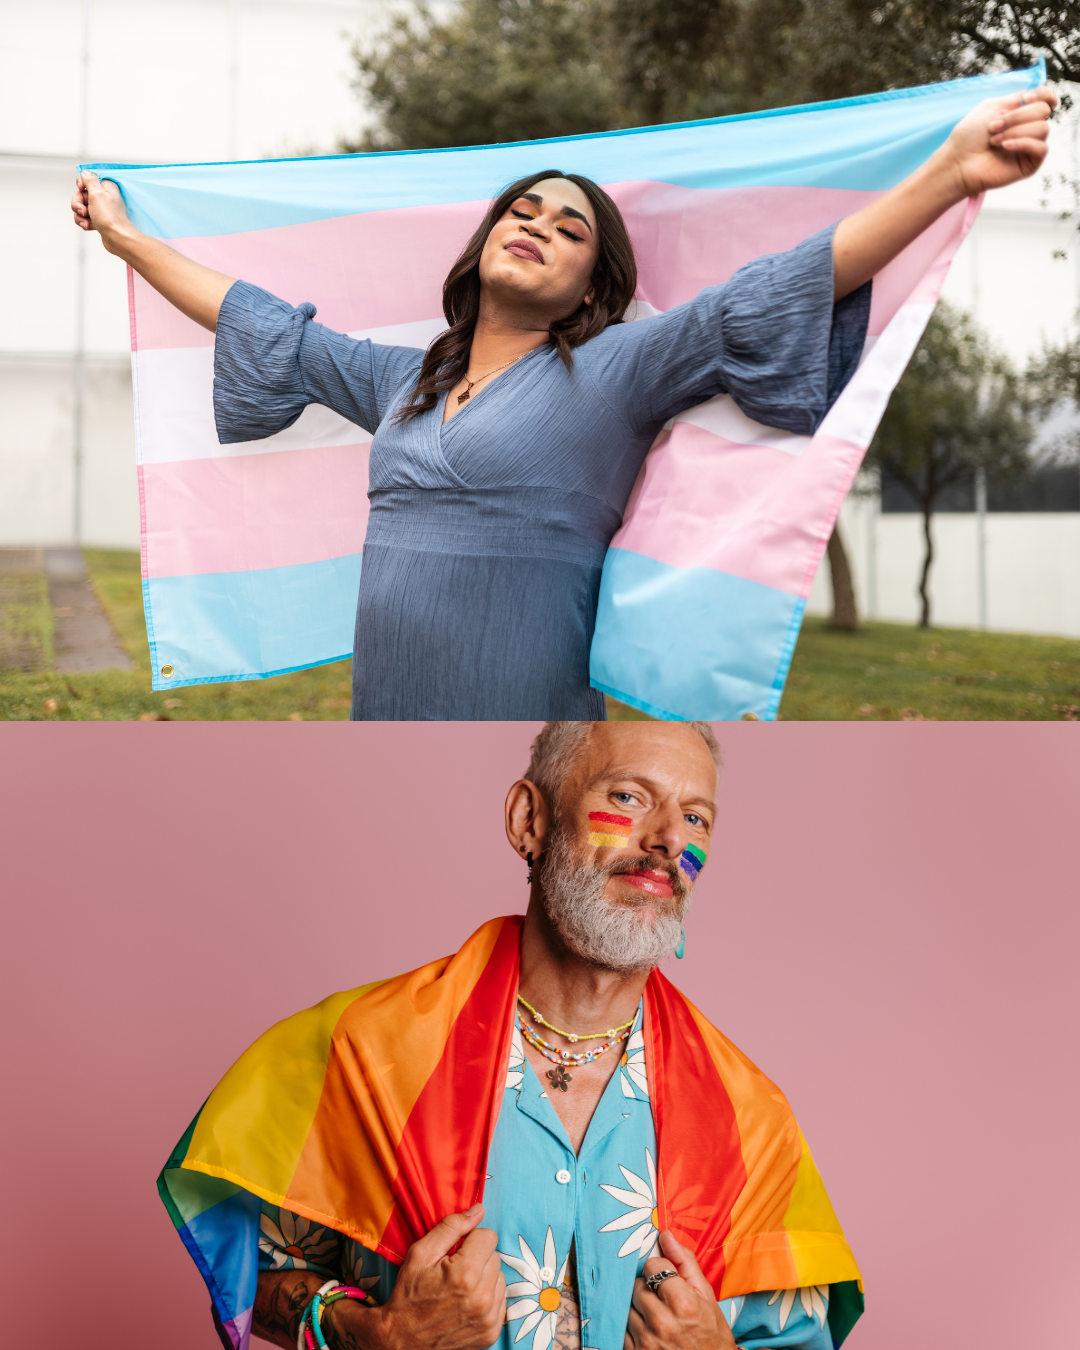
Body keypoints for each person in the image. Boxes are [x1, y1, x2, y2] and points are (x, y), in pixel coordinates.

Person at [71, 89, 1054, 720]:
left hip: (529, 721)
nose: (534, 225)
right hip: (387, 713)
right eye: (520, 210)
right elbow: (255, 321)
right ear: (484, 243)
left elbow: (779, 288)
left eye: (568, 226)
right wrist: (125, 240)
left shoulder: (621, 368)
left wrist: (953, 172)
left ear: (594, 287)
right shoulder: (398, 382)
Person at [160, 721, 866, 1350]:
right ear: (529, 819)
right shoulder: (365, 1052)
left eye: (696, 817)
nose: (669, 840)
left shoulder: (751, 1116)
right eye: (628, 798)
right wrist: (374, 1336)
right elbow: (263, 1276)